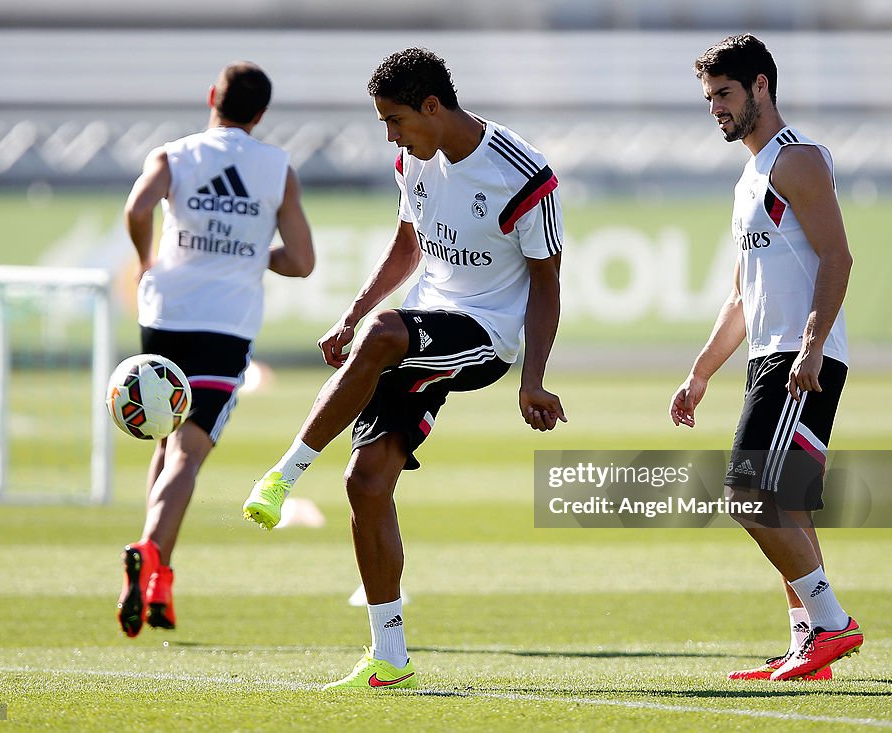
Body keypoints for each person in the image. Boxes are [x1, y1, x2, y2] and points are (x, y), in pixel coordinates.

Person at [242, 47, 566, 689]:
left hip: (486, 337)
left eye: (395, 120)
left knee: (386, 331)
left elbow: (548, 286)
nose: (390, 135)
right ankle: (389, 655)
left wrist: (532, 377)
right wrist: (350, 314)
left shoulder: (522, 174)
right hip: (422, 326)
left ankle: (282, 475)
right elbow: (407, 248)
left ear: (433, 106)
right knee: (365, 484)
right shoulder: (412, 163)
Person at [670, 34, 863, 681]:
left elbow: (838, 256)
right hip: (769, 355)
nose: (715, 109)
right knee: (788, 502)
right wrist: (701, 370)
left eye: (723, 94)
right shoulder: (749, 178)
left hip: (798, 358)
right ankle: (809, 642)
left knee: (747, 495)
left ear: (760, 86)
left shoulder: (797, 160)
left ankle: (832, 623)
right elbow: (740, 296)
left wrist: (810, 346)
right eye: (708, 98)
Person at [117, 61, 315, 638]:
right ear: (260, 115)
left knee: (167, 437)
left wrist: (146, 259)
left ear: (213, 97)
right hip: (224, 326)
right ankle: (151, 552)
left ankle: (158, 580)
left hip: (164, 315)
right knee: (188, 454)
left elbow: (136, 210)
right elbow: (302, 262)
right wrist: (254, 254)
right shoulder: (277, 168)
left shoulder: (173, 154)